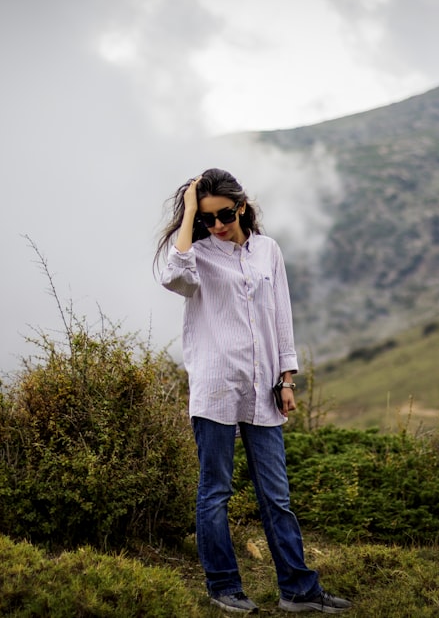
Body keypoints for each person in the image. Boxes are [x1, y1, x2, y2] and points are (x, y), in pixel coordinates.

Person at [156, 168, 352, 615]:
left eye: (223, 214)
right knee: (215, 492)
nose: (217, 225)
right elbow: (173, 277)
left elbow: (282, 317)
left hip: (263, 387)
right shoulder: (196, 253)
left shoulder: (269, 251)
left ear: (241, 205)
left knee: (276, 495)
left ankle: (298, 591)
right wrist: (189, 215)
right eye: (207, 219)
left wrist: (287, 378)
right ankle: (223, 586)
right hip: (216, 388)